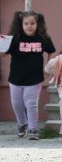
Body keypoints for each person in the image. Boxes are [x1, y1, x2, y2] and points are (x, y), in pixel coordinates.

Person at [0, 11, 56, 140]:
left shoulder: (43, 38)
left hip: (35, 78)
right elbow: (3, 54)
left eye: (32, 23)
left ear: (37, 24)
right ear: (21, 24)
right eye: (26, 23)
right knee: (17, 104)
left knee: (31, 103)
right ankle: (22, 123)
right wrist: (1, 45)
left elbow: (51, 52)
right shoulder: (15, 38)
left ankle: (33, 130)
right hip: (16, 78)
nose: (29, 26)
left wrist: (48, 68)